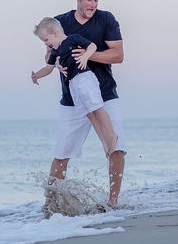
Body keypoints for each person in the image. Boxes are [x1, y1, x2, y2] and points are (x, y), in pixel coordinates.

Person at [47, 0, 126, 208]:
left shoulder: (106, 19)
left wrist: (88, 54)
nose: (93, 4)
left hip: (104, 94)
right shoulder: (60, 22)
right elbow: (49, 56)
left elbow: (118, 55)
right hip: (72, 99)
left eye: (97, 0)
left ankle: (113, 203)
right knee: (61, 154)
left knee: (117, 148)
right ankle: (51, 207)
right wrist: (57, 64)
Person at [31, 17, 118, 155]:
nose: (46, 44)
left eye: (46, 40)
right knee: (89, 114)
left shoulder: (73, 39)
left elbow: (92, 46)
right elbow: (48, 68)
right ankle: (104, 141)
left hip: (85, 79)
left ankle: (112, 135)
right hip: (73, 85)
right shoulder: (55, 52)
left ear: (55, 33)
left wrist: (85, 57)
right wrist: (36, 75)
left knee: (97, 108)